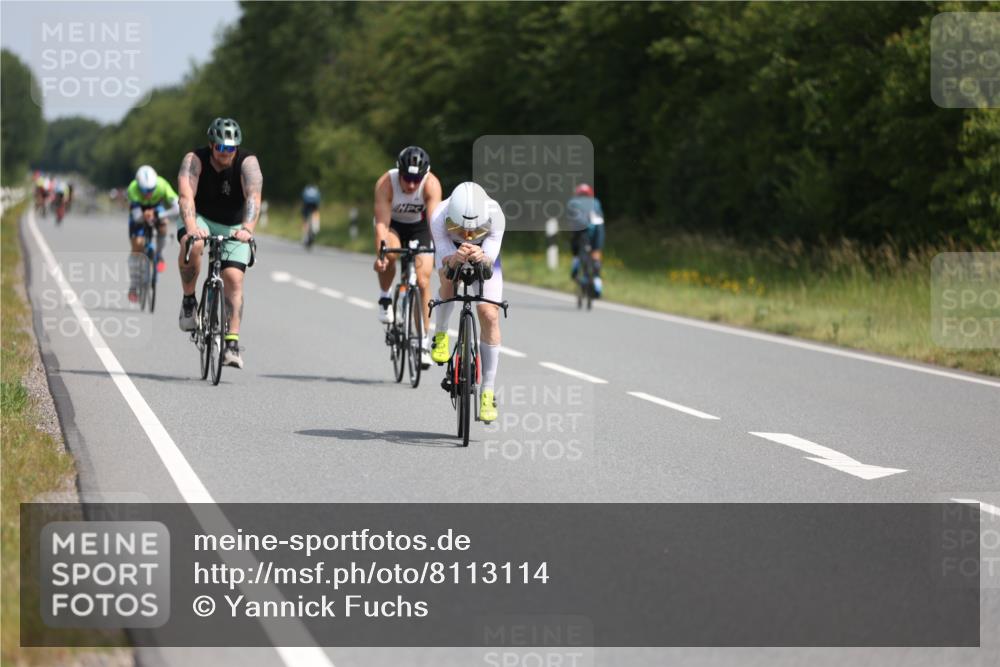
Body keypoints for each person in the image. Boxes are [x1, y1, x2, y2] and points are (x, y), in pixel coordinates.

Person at [176, 117, 262, 370]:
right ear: (212, 145)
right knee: (194, 246)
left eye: (231, 148)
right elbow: (185, 195)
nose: (226, 153)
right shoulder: (194, 160)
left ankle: (232, 343)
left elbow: (254, 197)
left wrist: (247, 229)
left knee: (234, 278)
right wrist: (192, 228)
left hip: (235, 224)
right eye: (221, 148)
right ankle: (190, 301)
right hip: (200, 218)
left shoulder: (248, 163)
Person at [429, 182, 505, 423]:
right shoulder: (439, 215)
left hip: (484, 256)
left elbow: (489, 264)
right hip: (451, 253)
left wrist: (483, 257)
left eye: (474, 230)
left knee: (489, 314)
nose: (468, 236)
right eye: (460, 228)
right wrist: (454, 259)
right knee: (448, 283)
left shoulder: (496, 215)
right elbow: (444, 262)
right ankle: (440, 335)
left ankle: (488, 391)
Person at [372, 146, 442, 366]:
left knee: (423, 280)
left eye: (416, 179)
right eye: (407, 178)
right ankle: (385, 297)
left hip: (420, 227)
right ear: (398, 172)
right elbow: (382, 224)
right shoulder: (386, 183)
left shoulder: (431, 184)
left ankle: (422, 342)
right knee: (389, 255)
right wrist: (381, 253)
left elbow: (434, 224)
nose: (411, 184)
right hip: (392, 226)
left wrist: (441, 252)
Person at [125, 165, 179, 301]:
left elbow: (177, 207)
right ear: (138, 186)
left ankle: (159, 254)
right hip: (138, 210)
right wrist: (145, 216)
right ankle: (133, 285)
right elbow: (137, 217)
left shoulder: (162, 184)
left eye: (151, 189)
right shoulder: (132, 188)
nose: (148, 192)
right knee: (137, 245)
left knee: (163, 225)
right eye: (144, 190)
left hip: (156, 208)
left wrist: (162, 214)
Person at [567, 183, 606, 296]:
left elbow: (571, 219)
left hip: (581, 230)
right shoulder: (596, 202)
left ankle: (576, 265)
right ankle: (598, 284)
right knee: (596, 253)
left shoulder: (573, 202)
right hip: (597, 230)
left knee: (576, 248)